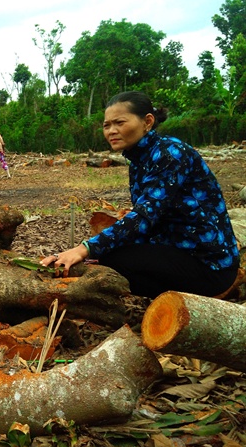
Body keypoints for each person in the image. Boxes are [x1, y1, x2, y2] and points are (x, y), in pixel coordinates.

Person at [40, 91, 240, 299]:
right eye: (106, 125)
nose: (112, 131)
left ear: (147, 122)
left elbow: (144, 218)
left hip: (209, 264)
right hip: (177, 250)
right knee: (106, 258)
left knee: (114, 261)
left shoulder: (170, 153)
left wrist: (85, 249)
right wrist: (95, 253)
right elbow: (146, 224)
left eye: (119, 122)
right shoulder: (139, 160)